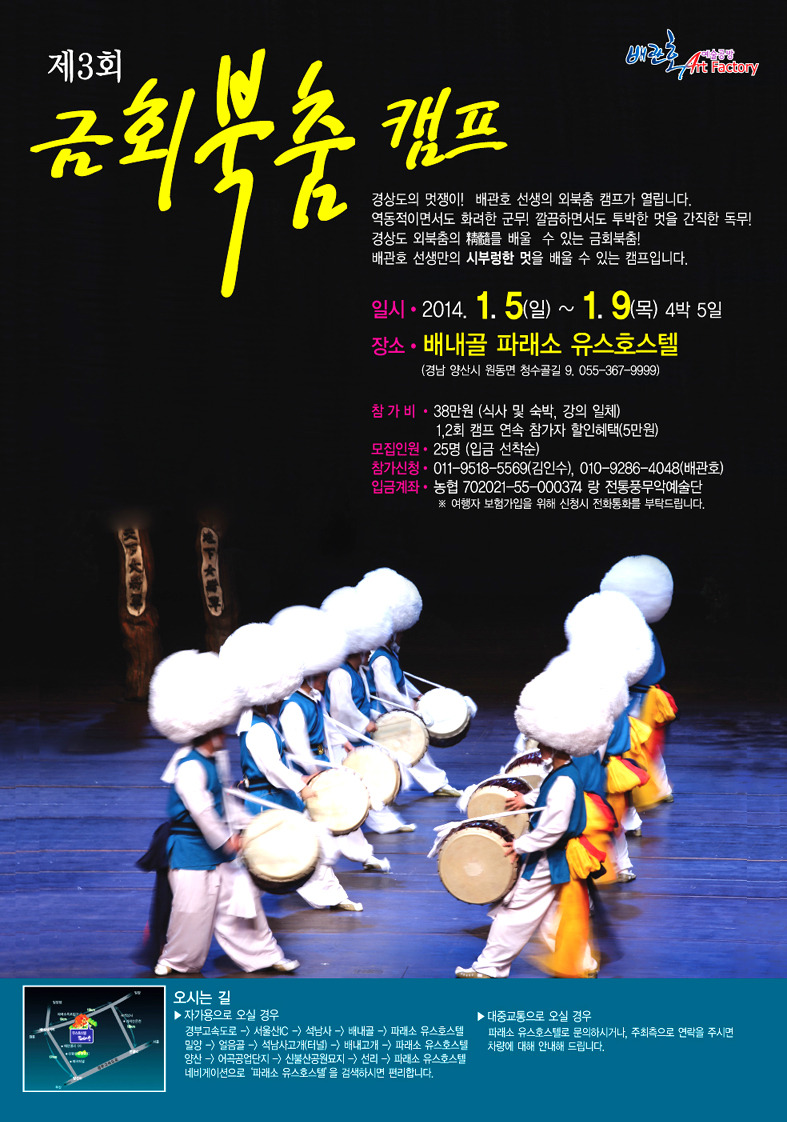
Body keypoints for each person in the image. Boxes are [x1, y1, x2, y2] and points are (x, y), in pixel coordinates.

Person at [454, 656, 612, 980]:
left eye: (543, 744)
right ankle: (582, 964)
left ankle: (489, 969)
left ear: (555, 745)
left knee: (515, 913)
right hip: (555, 858)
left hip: (546, 858)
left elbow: (554, 827)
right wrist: (525, 799)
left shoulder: (564, 779)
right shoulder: (564, 773)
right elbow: (548, 798)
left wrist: (521, 845)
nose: (538, 748)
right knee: (553, 914)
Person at [148, 650, 298, 976]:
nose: (225, 735)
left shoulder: (213, 760)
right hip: (190, 851)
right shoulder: (188, 766)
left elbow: (224, 803)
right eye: (220, 730)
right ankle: (174, 960)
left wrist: (250, 824)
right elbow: (202, 812)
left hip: (217, 852)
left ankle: (266, 955)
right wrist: (227, 840)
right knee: (191, 913)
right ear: (209, 731)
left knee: (242, 906)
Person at [279, 672, 392, 872]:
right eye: (321, 674)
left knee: (340, 808)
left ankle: (363, 855)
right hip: (304, 769)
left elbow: (326, 725)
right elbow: (297, 746)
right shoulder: (293, 705)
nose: (325, 677)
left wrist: (343, 742)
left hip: (320, 762)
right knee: (313, 817)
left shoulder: (314, 697)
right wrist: (314, 773)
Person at [367, 634, 462, 798]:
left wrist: (417, 696)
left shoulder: (389, 654)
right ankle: (437, 784)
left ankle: (436, 784)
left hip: (389, 708)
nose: (401, 637)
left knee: (404, 747)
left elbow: (400, 680)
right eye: (399, 633)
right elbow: (386, 692)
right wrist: (407, 706)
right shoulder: (381, 659)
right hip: (382, 710)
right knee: (411, 743)